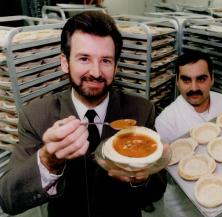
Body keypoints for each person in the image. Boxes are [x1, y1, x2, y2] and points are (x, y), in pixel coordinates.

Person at [0, 12, 167, 217]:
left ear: (116, 68)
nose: (96, 72)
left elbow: (157, 190)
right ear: (64, 62)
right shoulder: (36, 116)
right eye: (84, 58)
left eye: (106, 60)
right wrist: (48, 161)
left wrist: (141, 178)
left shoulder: (141, 111)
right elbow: (7, 199)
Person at [155, 51, 222, 217]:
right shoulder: (166, 120)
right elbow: (166, 174)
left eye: (201, 79)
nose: (194, 88)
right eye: (186, 80)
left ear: (212, 78)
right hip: (182, 205)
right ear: (177, 81)